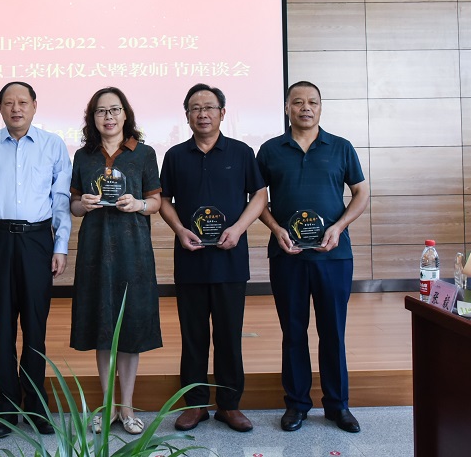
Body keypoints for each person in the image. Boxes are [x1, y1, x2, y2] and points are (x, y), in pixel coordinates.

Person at [257, 80, 369, 434]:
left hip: (334, 256)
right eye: (298, 102)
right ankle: (297, 404)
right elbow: (257, 200)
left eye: (313, 102)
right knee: (293, 332)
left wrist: (339, 227)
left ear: (321, 108)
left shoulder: (341, 147)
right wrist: (276, 228)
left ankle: (338, 405)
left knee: (333, 331)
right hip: (287, 255)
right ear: (287, 107)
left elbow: (361, 192)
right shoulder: (270, 150)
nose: (305, 107)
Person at [158, 83, 267, 433]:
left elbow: (260, 195)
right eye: (195, 108)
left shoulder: (241, 152)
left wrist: (238, 229)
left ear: (222, 112)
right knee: (193, 337)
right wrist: (179, 229)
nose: (202, 114)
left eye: (209, 107)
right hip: (190, 259)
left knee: (229, 336)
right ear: (187, 115)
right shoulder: (175, 155)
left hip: (230, 260)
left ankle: (229, 405)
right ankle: (195, 405)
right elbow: (164, 200)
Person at [0, 81, 72, 439]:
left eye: (22, 102)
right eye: (9, 103)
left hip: (37, 240)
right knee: (3, 330)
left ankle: (37, 407)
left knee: (35, 330)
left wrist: (60, 245)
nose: (16, 109)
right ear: (0, 108)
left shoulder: (52, 145)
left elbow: (60, 200)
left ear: (34, 106)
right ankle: (7, 410)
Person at [69, 87, 162, 436]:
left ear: (125, 114)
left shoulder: (144, 153)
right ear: (92, 117)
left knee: (131, 328)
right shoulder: (84, 156)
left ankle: (127, 407)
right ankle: (108, 406)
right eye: (101, 111)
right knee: (103, 328)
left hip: (133, 251)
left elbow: (155, 201)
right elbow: (73, 205)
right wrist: (83, 204)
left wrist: (138, 204)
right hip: (95, 251)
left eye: (114, 110)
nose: (108, 117)